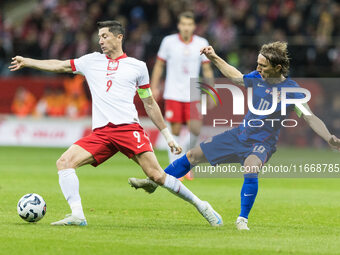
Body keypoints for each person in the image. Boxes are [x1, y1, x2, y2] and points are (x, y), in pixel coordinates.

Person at [9, 20, 223, 227]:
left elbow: (149, 103)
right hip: (101, 133)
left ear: (119, 37)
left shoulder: (137, 67)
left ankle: (202, 205)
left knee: (156, 175)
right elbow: (60, 65)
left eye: (105, 36)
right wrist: (28, 61)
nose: (100, 41)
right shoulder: (91, 61)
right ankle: (77, 215)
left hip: (128, 129)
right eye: (99, 37)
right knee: (64, 163)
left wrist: (167, 136)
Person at [128, 41, 340, 230]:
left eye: (263, 66)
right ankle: (154, 183)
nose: (258, 69)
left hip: (262, 143)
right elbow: (236, 77)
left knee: (251, 167)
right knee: (192, 156)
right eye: (257, 64)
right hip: (239, 135)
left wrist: (328, 137)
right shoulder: (257, 77)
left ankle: (242, 220)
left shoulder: (292, 91)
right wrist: (214, 57)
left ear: (277, 68)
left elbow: (310, 117)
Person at [151, 11, 214, 180]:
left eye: (189, 24)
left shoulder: (201, 43)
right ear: (179, 26)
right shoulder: (168, 42)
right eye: (183, 24)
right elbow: (159, 65)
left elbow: (207, 69)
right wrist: (153, 86)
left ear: (194, 26)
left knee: (195, 130)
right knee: (175, 131)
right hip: (172, 92)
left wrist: (210, 91)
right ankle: (176, 170)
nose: (186, 27)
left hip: (193, 92)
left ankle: (185, 162)